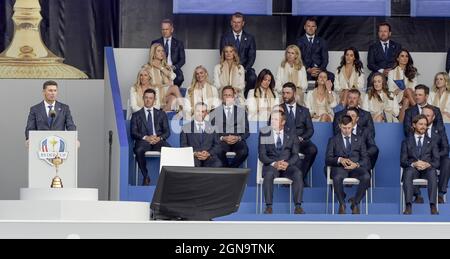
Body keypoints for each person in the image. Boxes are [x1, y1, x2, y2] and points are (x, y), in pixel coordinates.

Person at [259, 111, 304, 214]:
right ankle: (268, 207)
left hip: (287, 165)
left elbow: (295, 154)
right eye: (272, 119)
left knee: (298, 173)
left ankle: (298, 207)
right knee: (269, 174)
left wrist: (288, 163)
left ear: (283, 122)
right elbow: (262, 155)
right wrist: (274, 163)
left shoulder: (291, 134)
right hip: (271, 165)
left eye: (275, 119)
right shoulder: (265, 133)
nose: (272, 122)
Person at [326, 115, 371, 214]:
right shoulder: (333, 140)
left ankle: (355, 202)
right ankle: (342, 204)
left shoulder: (359, 139)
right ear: (339, 126)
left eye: (349, 128)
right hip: (340, 169)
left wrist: (357, 164)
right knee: (336, 178)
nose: (346, 130)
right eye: (344, 128)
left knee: (366, 176)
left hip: (355, 168)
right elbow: (328, 159)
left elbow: (365, 159)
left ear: (353, 125)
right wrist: (339, 159)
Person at [401, 114, 439, 215]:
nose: (423, 126)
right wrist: (414, 164)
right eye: (420, 124)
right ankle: (408, 205)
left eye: (425, 124)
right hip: (413, 170)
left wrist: (427, 164)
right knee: (408, 172)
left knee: (432, 172)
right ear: (414, 125)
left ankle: (433, 206)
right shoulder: (406, 142)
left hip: (427, 169)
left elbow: (437, 161)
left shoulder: (432, 142)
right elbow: (403, 161)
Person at [131, 89, 171, 186]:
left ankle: (167, 180)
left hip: (158, 140)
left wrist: (159, 138)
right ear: (143, 99)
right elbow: (133, 132)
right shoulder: (136, 115)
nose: (148, 100)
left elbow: (167, 132)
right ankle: (146, 176)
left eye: (151, 98)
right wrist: (146, 138)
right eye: (146, 98)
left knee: (169, 150)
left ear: (154, 100)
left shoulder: (161, 114)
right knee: (138, 150)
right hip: (144, 141)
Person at [281, 82, 317, 184]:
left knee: (313, 150)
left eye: (288, 93)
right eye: (283, 93)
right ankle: (291, 178)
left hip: (301, 141)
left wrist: (301, 138)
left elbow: (310, 130)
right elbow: (273, 127)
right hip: (285, 142)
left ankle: (300, 176)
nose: (285, 96)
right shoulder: (278, 109)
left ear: (294, 94)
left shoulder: (304, 111)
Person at [210, 86, 249, 168]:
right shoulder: (214, 112)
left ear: (233, 97)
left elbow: (246, 131)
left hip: (237, 141)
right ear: (222, 97)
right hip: (222, 141)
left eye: (230, 95)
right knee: (217, 151)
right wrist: (223, 138)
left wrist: (238, 138)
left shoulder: (241, 112)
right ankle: (230, 171)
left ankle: (230, 169)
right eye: (225, 95)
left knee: (244, 152)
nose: (227, 97)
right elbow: (212, 132)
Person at [220, 12, 257, 98]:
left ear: (243, 23)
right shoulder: (225, 37)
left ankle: (246, 96)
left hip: (245, 68)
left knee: (252, 77)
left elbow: (252, 57)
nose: (236, 24)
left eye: (239, 22)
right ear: (231, 23)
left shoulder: (250, 38)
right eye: (234, 22)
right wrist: (234, 68)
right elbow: (223, 54)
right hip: (229, 66)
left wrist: (243, 69)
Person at [180, 102, 222, 168]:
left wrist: (208, 153)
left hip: (209, 156)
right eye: (198, 111)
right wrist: (195, 153)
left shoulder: (213, 127)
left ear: (206, 113)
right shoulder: (185, 127)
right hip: (193, 157)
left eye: (202, 111)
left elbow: (217, 145)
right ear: (194, 111)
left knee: (217, 164)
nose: (200, 114)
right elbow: (183, 145)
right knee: (193, 165)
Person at [422, 106, 450, 204]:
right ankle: (417, 195)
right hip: (420, 160)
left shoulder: (439, 129)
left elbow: (446, 148)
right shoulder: (414, 128)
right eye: (423, 115)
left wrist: (435, 156)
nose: (425, 117)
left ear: (433, 118)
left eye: (428, 116)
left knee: (447, 161)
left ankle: (441, 194)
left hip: (436, 159)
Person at [145, 43, 184, 112]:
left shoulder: (166, 66)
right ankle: (184, 108)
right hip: (155, 93)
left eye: (162, 51)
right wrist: (165, 85)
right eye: (158, 51)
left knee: (173, 98)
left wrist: (160, 67)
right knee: (175, 87)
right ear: (153, 53)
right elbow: (149, 85)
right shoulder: (147, 67)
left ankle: (160, 115)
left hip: (164, 94)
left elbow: (172, 77)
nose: (162, 53)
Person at [296, 17, 333, 81]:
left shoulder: (322, 41)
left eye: (313, 26)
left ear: (316, 27)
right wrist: (308, 69)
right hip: (305, 71)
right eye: (308, 26)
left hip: (319, 71)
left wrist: (318, 71)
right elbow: (298, 59)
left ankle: (327, 91)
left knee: (331, 76)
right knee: (299, 77)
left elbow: (325, 59)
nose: (310, 28)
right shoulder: (299, 42)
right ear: (304, 27)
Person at [151, 19, 185, 88]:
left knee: (179, 78)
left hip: (173, 68)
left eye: (167, 29)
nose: (164, 31)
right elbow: (152, 57)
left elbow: (182, 60)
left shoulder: (179, 43)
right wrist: (162, 67)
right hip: (159, 67)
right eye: (163, 29)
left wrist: (173, 67)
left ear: (172, 29)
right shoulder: (155, 42)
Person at [367, 22, 402, 86]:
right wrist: (382, 70)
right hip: (377, 73)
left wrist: (391, 71)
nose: (383, 33)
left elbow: (400, 62)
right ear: (378, 33)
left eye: (385, 31)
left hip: (393, 73)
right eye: (381, 31)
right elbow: (370, 64)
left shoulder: (397, 46)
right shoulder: (372, 47)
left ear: (390, 33)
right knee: (370, 79)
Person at [388, 49, 418, 118]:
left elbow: (414, 87)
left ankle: (401, 124)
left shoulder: (413, 71)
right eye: (402, 56)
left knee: (406, 100)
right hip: (397, 96)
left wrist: (405, 91)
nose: (405, 58)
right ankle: (417, 109)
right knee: (407, 90)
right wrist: (403, 90)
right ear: (397, 58)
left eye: (406, 56)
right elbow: (391, 88)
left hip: (410, 95)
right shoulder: (392, 72)